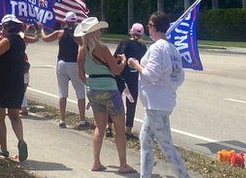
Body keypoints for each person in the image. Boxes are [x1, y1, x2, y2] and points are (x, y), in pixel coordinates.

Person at [126, 12, 190, 178]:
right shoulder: (172, 49)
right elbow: (180, 77)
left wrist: (135, 64)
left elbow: (151, 75)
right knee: (145, 139)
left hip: (156, 104)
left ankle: (184, 175)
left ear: (154, 27)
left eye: (149, 26)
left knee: (166, 145)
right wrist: (168, 86)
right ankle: (145, 175)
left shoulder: (157, 48)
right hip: (161, 102)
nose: (148, 28)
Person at [76, 17, 135, 174]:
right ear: (94, 32)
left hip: (93, 90)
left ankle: (96, 162)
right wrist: (123, 61)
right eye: (99, 29)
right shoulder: (102, 49)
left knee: (99, 127)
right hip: (110, 89)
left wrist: (90, 83)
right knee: (119, 128)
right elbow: (116, 70)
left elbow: (81, 74)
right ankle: (123, 165)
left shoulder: (82, 50)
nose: (101, 32)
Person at [0, 14, 29, 162]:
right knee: (15, 116)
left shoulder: (6, 40)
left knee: (0, 117)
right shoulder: (19, 41)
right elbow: (4, 48)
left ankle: (4, 149)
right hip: (16, 82)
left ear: (5, 27)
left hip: (2, 82)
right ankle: (21, 141)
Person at [40, 11, 90, 129]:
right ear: (75, 22)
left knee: (62, 92)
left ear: (65, 22)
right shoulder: (78, 36)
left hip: (61, 62)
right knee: (80, 92)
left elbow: (45, 39)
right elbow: (84, 47)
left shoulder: (59, 33)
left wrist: (41, 29)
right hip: (73, 63)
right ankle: (82, 120)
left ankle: (62, 119)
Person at [111, 22, 147, 139]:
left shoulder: (124, 43)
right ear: (141, 34)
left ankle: (109, 127)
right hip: (133, 79)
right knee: (131, 104)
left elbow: (115, 57)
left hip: (119, 76)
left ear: (131, 31)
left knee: (114, 103)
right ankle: (128, 130)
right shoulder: (143, 48)